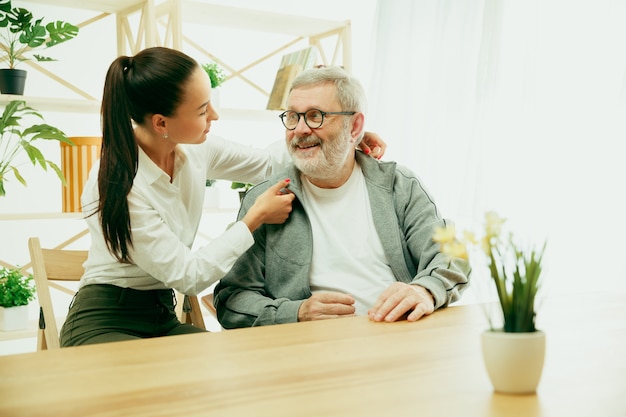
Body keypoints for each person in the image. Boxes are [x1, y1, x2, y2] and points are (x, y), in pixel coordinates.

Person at [59, 47, 386, 346]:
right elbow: (189, 275)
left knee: (228, 369)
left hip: (161, 317)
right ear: (162, 123)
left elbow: (268, 163)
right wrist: (254, 218)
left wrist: (340, 135)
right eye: (202, 110)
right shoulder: (119, 182)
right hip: (104, 320)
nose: (214, 116)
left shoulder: (195, 150)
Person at [213, 66, 471, 328]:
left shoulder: (400, 186)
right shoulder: (265, 199)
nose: (300, 129)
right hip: (305, 348)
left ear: (355, 125)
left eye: (316, 116)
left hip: (397, 336)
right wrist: (296, 312)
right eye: (292, 117)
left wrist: (424, 291)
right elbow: (232, 299)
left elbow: (451, 258)